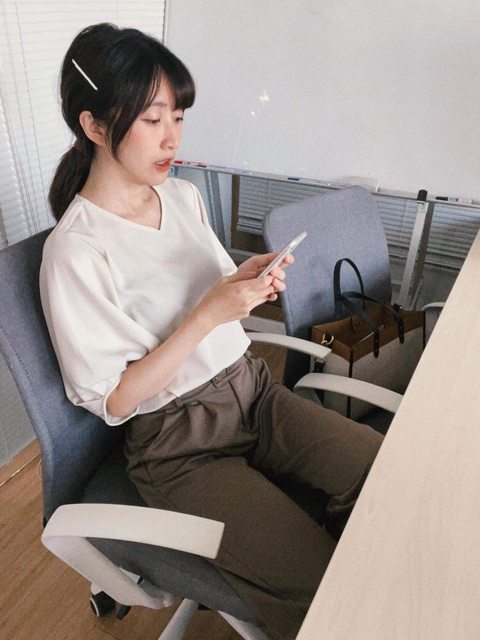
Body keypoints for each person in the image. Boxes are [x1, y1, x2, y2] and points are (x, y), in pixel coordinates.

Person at [40, 23, 383, 640]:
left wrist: (248, 283)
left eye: (178, 117)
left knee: (387, 477)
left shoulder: (181, 196)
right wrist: (207, 314)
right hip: (181, 445)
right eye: (152, 119)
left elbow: (213, 295)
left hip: (254, 393)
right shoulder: (77, 251)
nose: (171, 137)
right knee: (319, 589)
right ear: (94, 126)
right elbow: (115, 400)